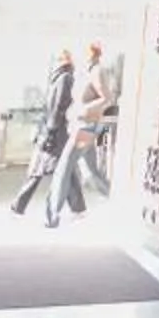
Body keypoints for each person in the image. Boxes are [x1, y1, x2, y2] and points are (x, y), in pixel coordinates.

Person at [11, 48, 75, 225]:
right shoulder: (61, 77)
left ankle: (43, 211)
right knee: (54, 173)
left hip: (53, 133)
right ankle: (61, 211)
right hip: (52, 132)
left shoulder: (64, 78)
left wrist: (51, 131)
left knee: (50, 173)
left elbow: (58, 106)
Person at [52, 40, 111, 219]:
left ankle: (52, 213)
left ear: (91, 54)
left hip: (86, 126)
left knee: (64, 166)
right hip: (82, 126)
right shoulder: (85, 72)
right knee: (91, 172)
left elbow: (107, 98)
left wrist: (84, 110)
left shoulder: (97, 71)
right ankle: (118, 200)